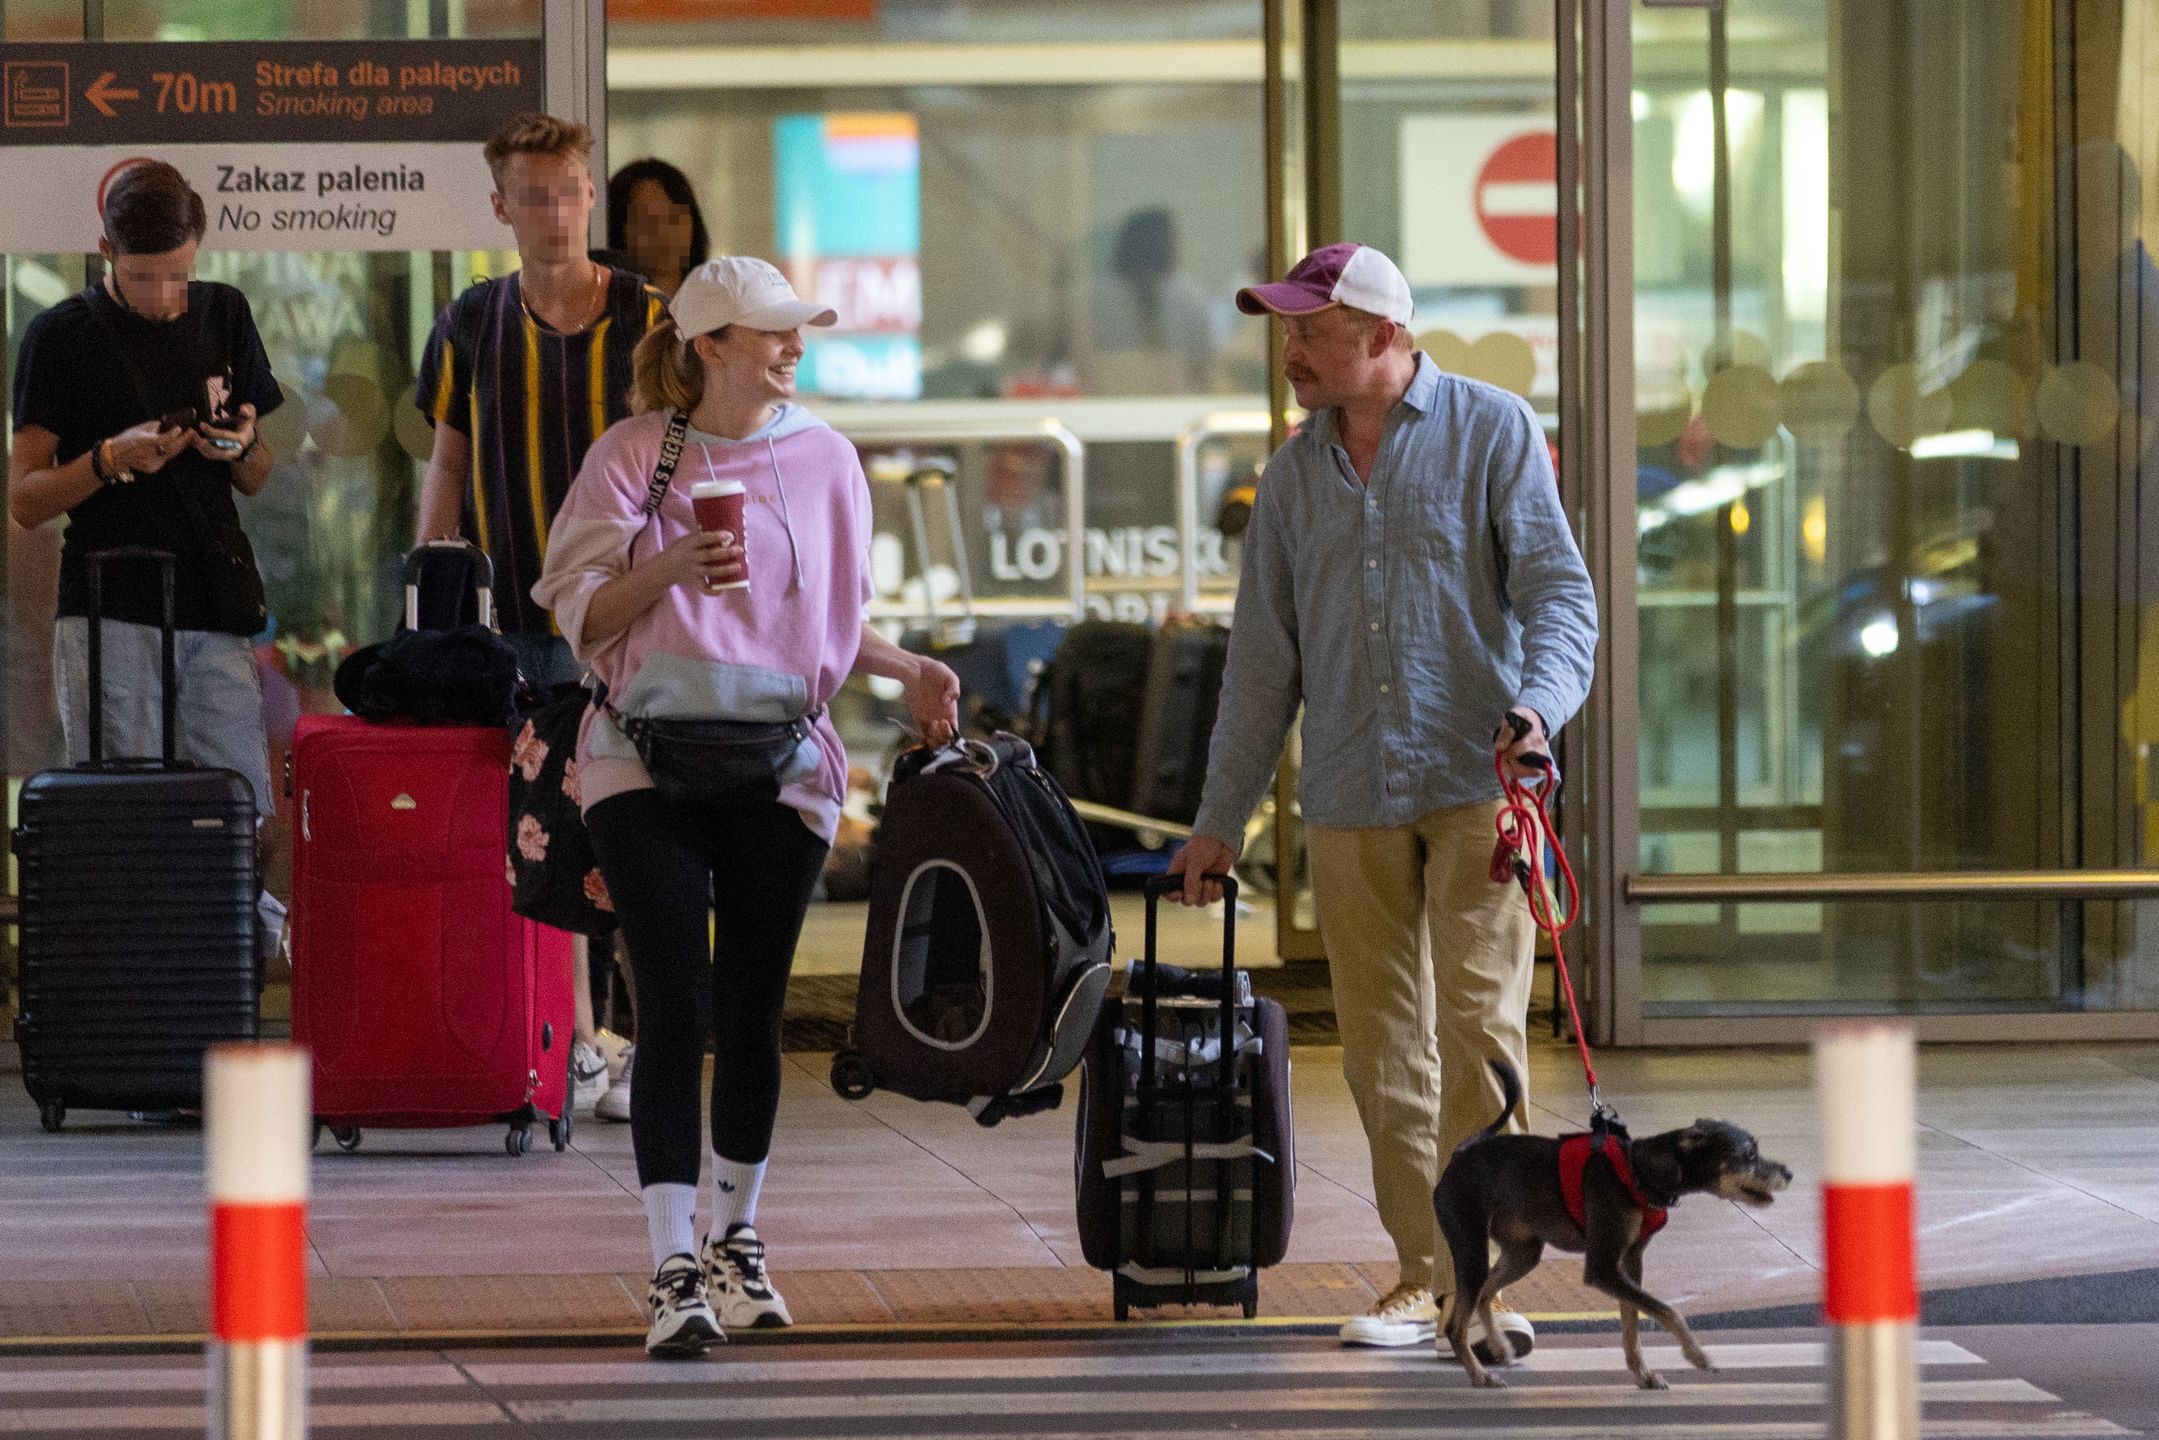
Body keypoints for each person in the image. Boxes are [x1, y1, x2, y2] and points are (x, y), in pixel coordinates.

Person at [1166, 242, 1598, 1355]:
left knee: (1478, 1031)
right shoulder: (1292, 475)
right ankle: (1422, 1273)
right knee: (1377, 1049)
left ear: (1380, 335)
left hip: (1476, 784)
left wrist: (1538, 706)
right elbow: (1260, 666)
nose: (1289, 349)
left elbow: (1560, 596)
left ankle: (1483, 1280)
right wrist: (1220, 819)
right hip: (1351, 790)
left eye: (1308, 330)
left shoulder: (1490, 430)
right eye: (1286, 329)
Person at [534, 255, 961, 1357]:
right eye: (770, 332)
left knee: (752, 1006)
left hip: (782, 759)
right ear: (708, 345)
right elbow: (578, 616)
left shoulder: (825, 459)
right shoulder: (635, 454)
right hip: (641, 751)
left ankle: (739, 1238)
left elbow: (831, 626)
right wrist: (671, 560)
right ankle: (672, 1261)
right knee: (671, 1001)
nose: (793, 346)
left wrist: (904, 668)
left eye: (797, 331)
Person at [414, 112, 666, 1121]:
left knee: (644, 829)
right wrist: (433, 581)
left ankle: (648, 1036)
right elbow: (447, 456)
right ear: (501, 206)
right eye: (533, 194)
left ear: (587, 197)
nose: (553, 211)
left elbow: (688, 458)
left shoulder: (650, 319)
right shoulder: (474, 320)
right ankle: (574, 1041)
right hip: (518, 612)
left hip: (628, 622)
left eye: (567, 191)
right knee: (550, 832)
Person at [7, 159, 286, 969]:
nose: (166, 296)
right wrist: (109, 459)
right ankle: (135, 1011)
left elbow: (259, 471)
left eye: (180, 275)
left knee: (243, 811)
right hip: (109, 601)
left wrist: (237, 446)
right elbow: (25, 498)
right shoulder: (61, 335)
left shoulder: (223, 313)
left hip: (214, 598)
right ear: (105, 253)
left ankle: (217, 990)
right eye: (144, 277)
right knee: (123, 814)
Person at [604, 158, 710, 299]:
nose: (662, 230)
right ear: (620, 230)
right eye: (647, 219)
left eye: (672, 216)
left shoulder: (719, 300)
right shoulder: (608, 309)